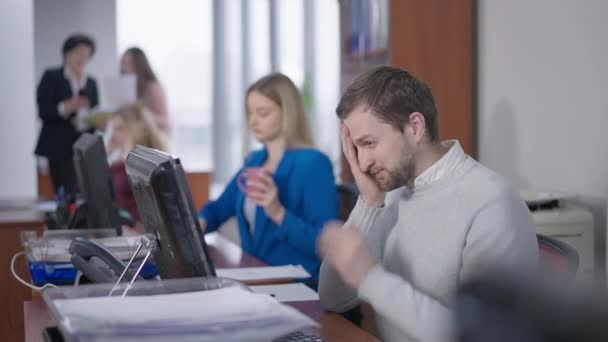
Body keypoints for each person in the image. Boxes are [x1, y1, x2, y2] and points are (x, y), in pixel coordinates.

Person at [317, 66, 538, 342]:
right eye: (356, 149)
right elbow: (332, 299)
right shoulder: (393, 191)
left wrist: (370, 279)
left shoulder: (492, 203)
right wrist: (369, 203)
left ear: (415, 127)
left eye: (369, 143)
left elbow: (481, 336)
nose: (362, 163)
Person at [198, 73, 338, 281]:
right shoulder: (255, 161)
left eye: (263, 113)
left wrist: (277, 212)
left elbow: (325, 243)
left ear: (287, 113)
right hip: (259, 277)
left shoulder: (313, 164)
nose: (253, 121)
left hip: (301, 284)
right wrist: (196, 225)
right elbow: (219, 208)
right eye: (250, 113)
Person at [35, 34, 99, 195]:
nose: (82, 58)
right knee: (65, 193)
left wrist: (98, 120)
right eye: (79, 53)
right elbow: (44, 111)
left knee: (86, 192)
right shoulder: (52, 76)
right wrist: (66, 107)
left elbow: (95, 109)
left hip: (83, 145)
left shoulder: (90, 82)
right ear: (67, 53)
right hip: (59, 146)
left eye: (87, 54)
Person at [106, 103, 168, 222]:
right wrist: (105, 154)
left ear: (136, 129)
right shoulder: (117, 165)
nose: (114, 135)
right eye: (114, 130)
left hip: (138, 231)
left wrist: (128, 153)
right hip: (122, 229)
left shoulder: (153, 164)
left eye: (120, 129)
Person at [120, 47, 170, 135]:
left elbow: (165, 122)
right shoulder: (127, 89)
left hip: (152, 142)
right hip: (134, 140)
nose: (124, 68)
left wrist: (142, 114)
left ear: (139, 65)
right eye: (123, 63)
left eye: (128, 63)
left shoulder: (153, 87)